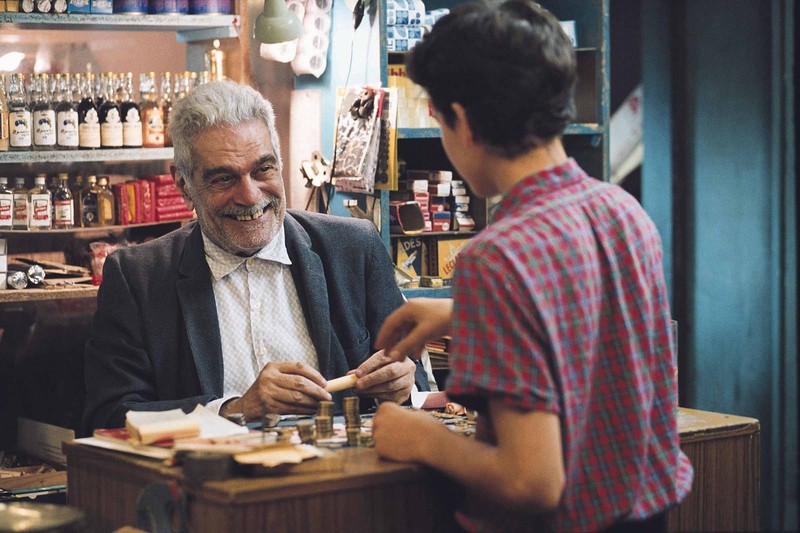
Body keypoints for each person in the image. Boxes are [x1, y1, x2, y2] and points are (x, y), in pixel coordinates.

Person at [368, 1, 693, 531]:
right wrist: (460, 315)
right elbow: (586, 316)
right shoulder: (623, 212)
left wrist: (420, 436)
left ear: (464, 121)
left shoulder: (496, 257)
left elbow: (532, 482)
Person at [83, 80, 432, 434]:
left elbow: (414, 381)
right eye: (223, 179)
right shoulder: (138, 277)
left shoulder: (354, 248)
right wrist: (235, 409)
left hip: (340, 479)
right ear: (184, 185)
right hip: (212, 484)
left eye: (263, 170)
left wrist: (401, 387)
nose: (249, 196)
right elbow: (108, 416)